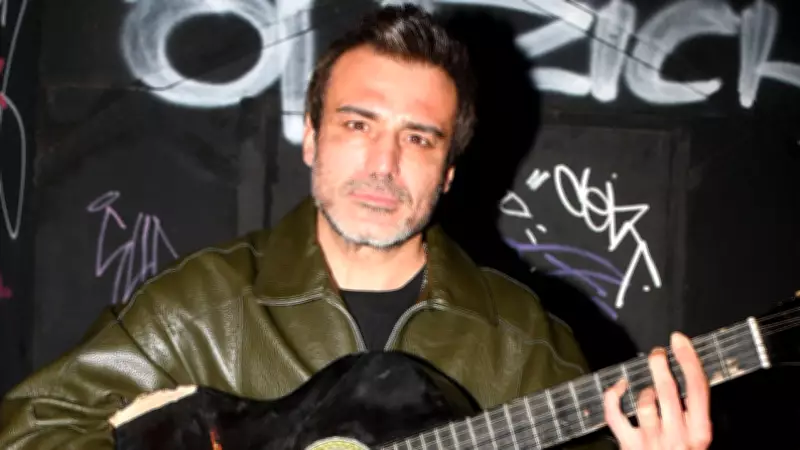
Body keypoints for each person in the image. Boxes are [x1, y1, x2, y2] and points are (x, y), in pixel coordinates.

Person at [0, 4, 712, 450]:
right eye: (357, 125)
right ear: (312, 138)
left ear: (449, 171)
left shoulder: (521, 341)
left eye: (419, 138)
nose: (383, 164)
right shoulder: (205, 306)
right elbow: (29, 430)